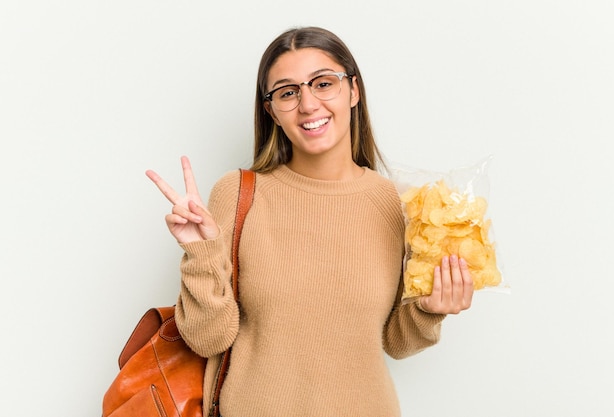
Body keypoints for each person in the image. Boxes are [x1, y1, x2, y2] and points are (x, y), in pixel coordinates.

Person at [146, 26, 474, 417]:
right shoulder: (236, 193)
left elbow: (396, 343)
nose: (307, 104)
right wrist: (199, 253)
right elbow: (208, 339)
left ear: (353, 91)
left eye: (323, 83)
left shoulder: (392, 202)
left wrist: (429, 309)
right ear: (270, 110)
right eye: (287, 92)